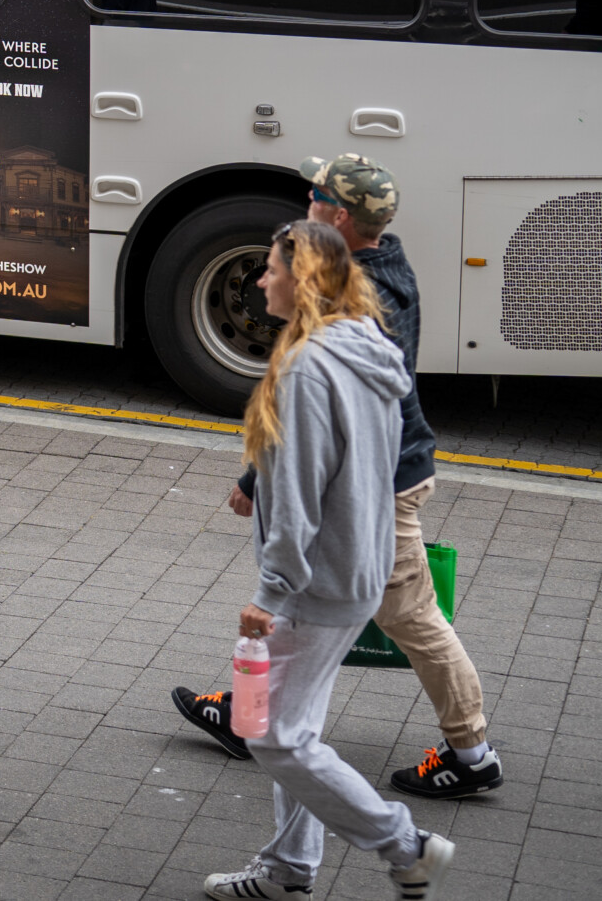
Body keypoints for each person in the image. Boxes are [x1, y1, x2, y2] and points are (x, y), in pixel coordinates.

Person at [177, 157, 501, 801]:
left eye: (319, 193)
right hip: (381, 471)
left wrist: (255, 473)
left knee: (407, 614)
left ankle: (471, 752)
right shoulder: (374, 265)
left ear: (342, 215)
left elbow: (324, 412)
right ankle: (253, 717)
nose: (308, 197)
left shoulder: (365, 290)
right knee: (318, 602)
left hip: (379, 482)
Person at [198, 221, 454, 901]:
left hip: (314, 581)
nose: (259, 281)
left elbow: (302, 487)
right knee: (298, 728)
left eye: (271, 268)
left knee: (273, 736)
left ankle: (407, 846)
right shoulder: (365, 343)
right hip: (356, 566)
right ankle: (288, 871)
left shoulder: (307, 367)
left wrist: (272, 589)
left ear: (302, 279)